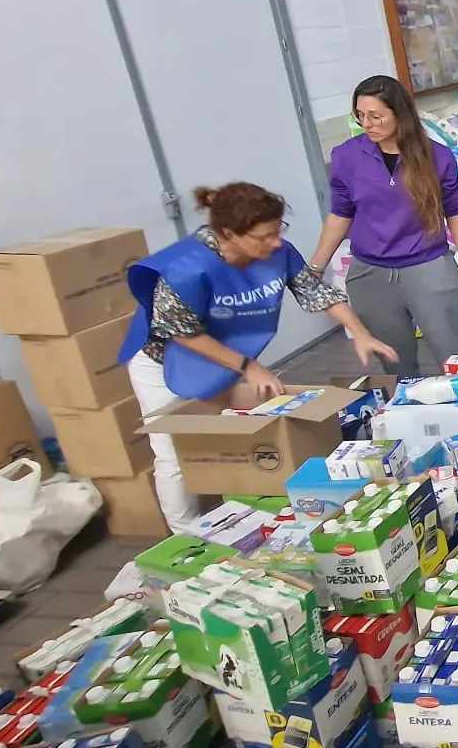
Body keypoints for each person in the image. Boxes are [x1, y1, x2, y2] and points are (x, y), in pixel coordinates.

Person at [120, 182, 399, 533]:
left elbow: (315, 291)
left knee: (227, 436)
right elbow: (182, 332)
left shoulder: (277, 253)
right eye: (264, 236)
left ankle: (234, 518)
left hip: (223, 359)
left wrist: (359, 332)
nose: (275, 242)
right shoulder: (186, 267)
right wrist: (247, 366)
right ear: (228, 234)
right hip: (165, 362)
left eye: (278, 230)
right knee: (173, 451)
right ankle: (187, 534)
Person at [308, 75, 458, 376]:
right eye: (361, 115)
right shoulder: (346, 157)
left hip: (428, 266)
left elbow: (454, 211)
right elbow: (340, 214)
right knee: (396, 364)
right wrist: (315, 267)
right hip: (370, 274)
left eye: (376, 116)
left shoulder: (436, 157)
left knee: (457, 358)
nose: (368, 123)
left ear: (399, 114)